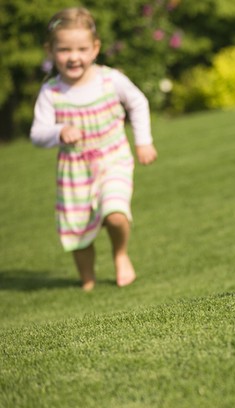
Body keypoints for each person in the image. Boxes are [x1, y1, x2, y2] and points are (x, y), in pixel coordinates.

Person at [30, 7, 158, 291]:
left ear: (95, 48)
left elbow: (138, 102)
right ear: (50, 51)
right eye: (64, 49)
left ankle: (120, 254)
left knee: (115, 213)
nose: (73, 56)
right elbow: (37, 134)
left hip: (113, 159)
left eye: (81, 48)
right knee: (77, 230)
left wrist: (143, 141)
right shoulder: (51, 92)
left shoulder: (110, 80)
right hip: (74, 171)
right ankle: (87, 278)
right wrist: (59, 131)